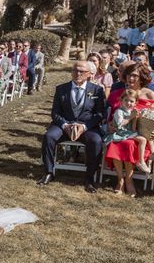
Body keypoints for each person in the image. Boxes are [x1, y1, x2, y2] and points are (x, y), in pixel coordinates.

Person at [38, 61, 105, 193]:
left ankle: (89, 178)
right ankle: (49, 172)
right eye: (75, 70)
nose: (78, 74)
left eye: (82, 71)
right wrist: (65, 125)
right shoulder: (61, 88)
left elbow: (99, 114)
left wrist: (84, 127)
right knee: (49, 136)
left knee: (96, 141)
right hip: (65, 125)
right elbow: (55, 113)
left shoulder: (97, 90)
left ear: (88, 74)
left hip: (87, 127)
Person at [105, 62, 154, 197]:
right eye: (129, 75)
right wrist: (109, 125)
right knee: (117, 143)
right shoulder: (118, 93)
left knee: (129, 144)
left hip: (142, 137)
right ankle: (121, 180)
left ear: (142, 77)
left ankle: (128, 180)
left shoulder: (150, 95)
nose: (131, 78)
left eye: (135, 75)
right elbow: (110, 116)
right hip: (120, 132)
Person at [104, 89, 152, 176]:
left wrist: (135, 119)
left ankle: (141, 161)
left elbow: (133, 129)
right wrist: (130, 117)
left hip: (128, 132)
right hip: (120, 132)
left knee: (144, 139)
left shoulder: (131, 111)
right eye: (126, 100)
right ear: (121, 100)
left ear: (135, 103)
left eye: (131, 101)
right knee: (142, 140)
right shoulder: (119, 111)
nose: (128, 103)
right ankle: (140, 161)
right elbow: (119, 125)